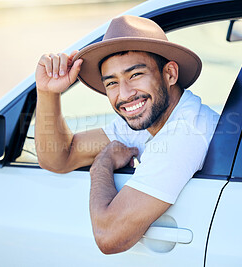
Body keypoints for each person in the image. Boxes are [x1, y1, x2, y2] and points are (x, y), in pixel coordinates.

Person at [35, 15, 219, 254]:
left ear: (170, 74)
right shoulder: (149, 117)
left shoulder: (185, 134)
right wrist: (47, 92)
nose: (124, 94)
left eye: (135, 75)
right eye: (111, 83)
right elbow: (59, 157)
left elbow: (109, 236)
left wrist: (101, 166)